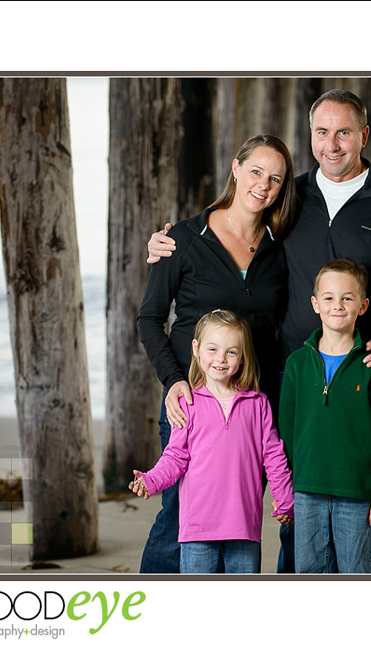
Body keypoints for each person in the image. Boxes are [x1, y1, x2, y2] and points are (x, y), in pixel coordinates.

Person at [148, 89, 371, 574]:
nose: (333, 144)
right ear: (310, 136)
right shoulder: (291, 197)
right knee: (295, 498)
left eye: (344, 132)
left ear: (364, 136)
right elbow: (232, 223)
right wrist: (170, 242)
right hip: (297, 379)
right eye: (322, 132)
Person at [136, 134, 296, 573]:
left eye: (276, 179)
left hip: (252, 408)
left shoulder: (280, 247)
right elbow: (150, 319)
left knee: (240, 521)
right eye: (256, 172)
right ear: (236, 168)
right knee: (177, 518)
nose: (263, 185)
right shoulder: (184, 238)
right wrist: (174, 380)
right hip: (192, 403)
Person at [129, 310, 294, 574]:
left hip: (243, 525)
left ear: (242, 357)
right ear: (196, 348)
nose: (220, 358)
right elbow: (175, 457)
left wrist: (285, 499)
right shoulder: (187, 404)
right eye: (213, 349)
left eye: (231, 352)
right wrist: (150, 480)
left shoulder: (257, 403)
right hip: (197, 526)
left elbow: (273, 456)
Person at [279, 260, 371, 573]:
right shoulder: (296, 364)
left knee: (356, 573)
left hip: (357, 495)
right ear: (315, 304)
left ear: (363, 306)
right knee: (308, 573)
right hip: (307, 493)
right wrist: (284, 488)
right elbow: (286, 434)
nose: (338, 305)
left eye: (347, 298)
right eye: (329, 298)